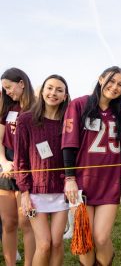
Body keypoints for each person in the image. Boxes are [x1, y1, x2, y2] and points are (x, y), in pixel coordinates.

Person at [62, 66, 121, 266]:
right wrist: (70, 178)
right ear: (100, 79)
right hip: (82, 182)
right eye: (111, 81)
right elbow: (68, 144)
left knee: (101, 237)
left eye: (120, 85)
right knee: (85, 238)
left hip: (110, 182)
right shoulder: (79, 104)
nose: (115, 87)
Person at [15, 74, 70, 266]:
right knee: (44, 244)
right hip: (34, 194)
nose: (53, 93)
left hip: (61, 192)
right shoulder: (26, 120)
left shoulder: (69, 123)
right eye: (50, 88)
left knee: (56, 243)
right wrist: (25, 192)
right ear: (42, 91)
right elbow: (20, 159)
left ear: (65, 96)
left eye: (59, 90)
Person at [0, 67, 36, 265]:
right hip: (6, 168)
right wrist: (4, 162)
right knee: (9, 223)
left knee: (26, 222)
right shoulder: (7, 108)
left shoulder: (37, 107)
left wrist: (25, 168)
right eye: (3, 89)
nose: (6, 92)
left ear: (21, 83)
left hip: (29, 169)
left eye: (8, 87)